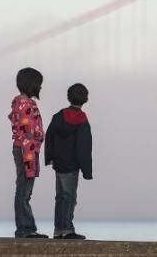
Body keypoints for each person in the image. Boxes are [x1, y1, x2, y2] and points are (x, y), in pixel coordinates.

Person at [45, 83, 93, 240]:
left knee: (60, 197)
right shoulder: (82, 120)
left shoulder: (58, 116)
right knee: (69, 197)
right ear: (85, 99)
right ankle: (66, 229)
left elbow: (49, 137)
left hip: (58, 164)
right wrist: (87, 171)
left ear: (68, 97)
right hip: (72, 166)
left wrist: (49, 158)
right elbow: (84, 147)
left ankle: (58, 230)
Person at [8, 67, 47, 239]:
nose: (40, 88)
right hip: (27, 151)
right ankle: (25, 229)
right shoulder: (27, 105)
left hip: (24, 149)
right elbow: (30, 132)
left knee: (23, 190)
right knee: (24, 191)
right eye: (39, 84)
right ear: (32, 85)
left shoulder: (18, 102)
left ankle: (26, 228)